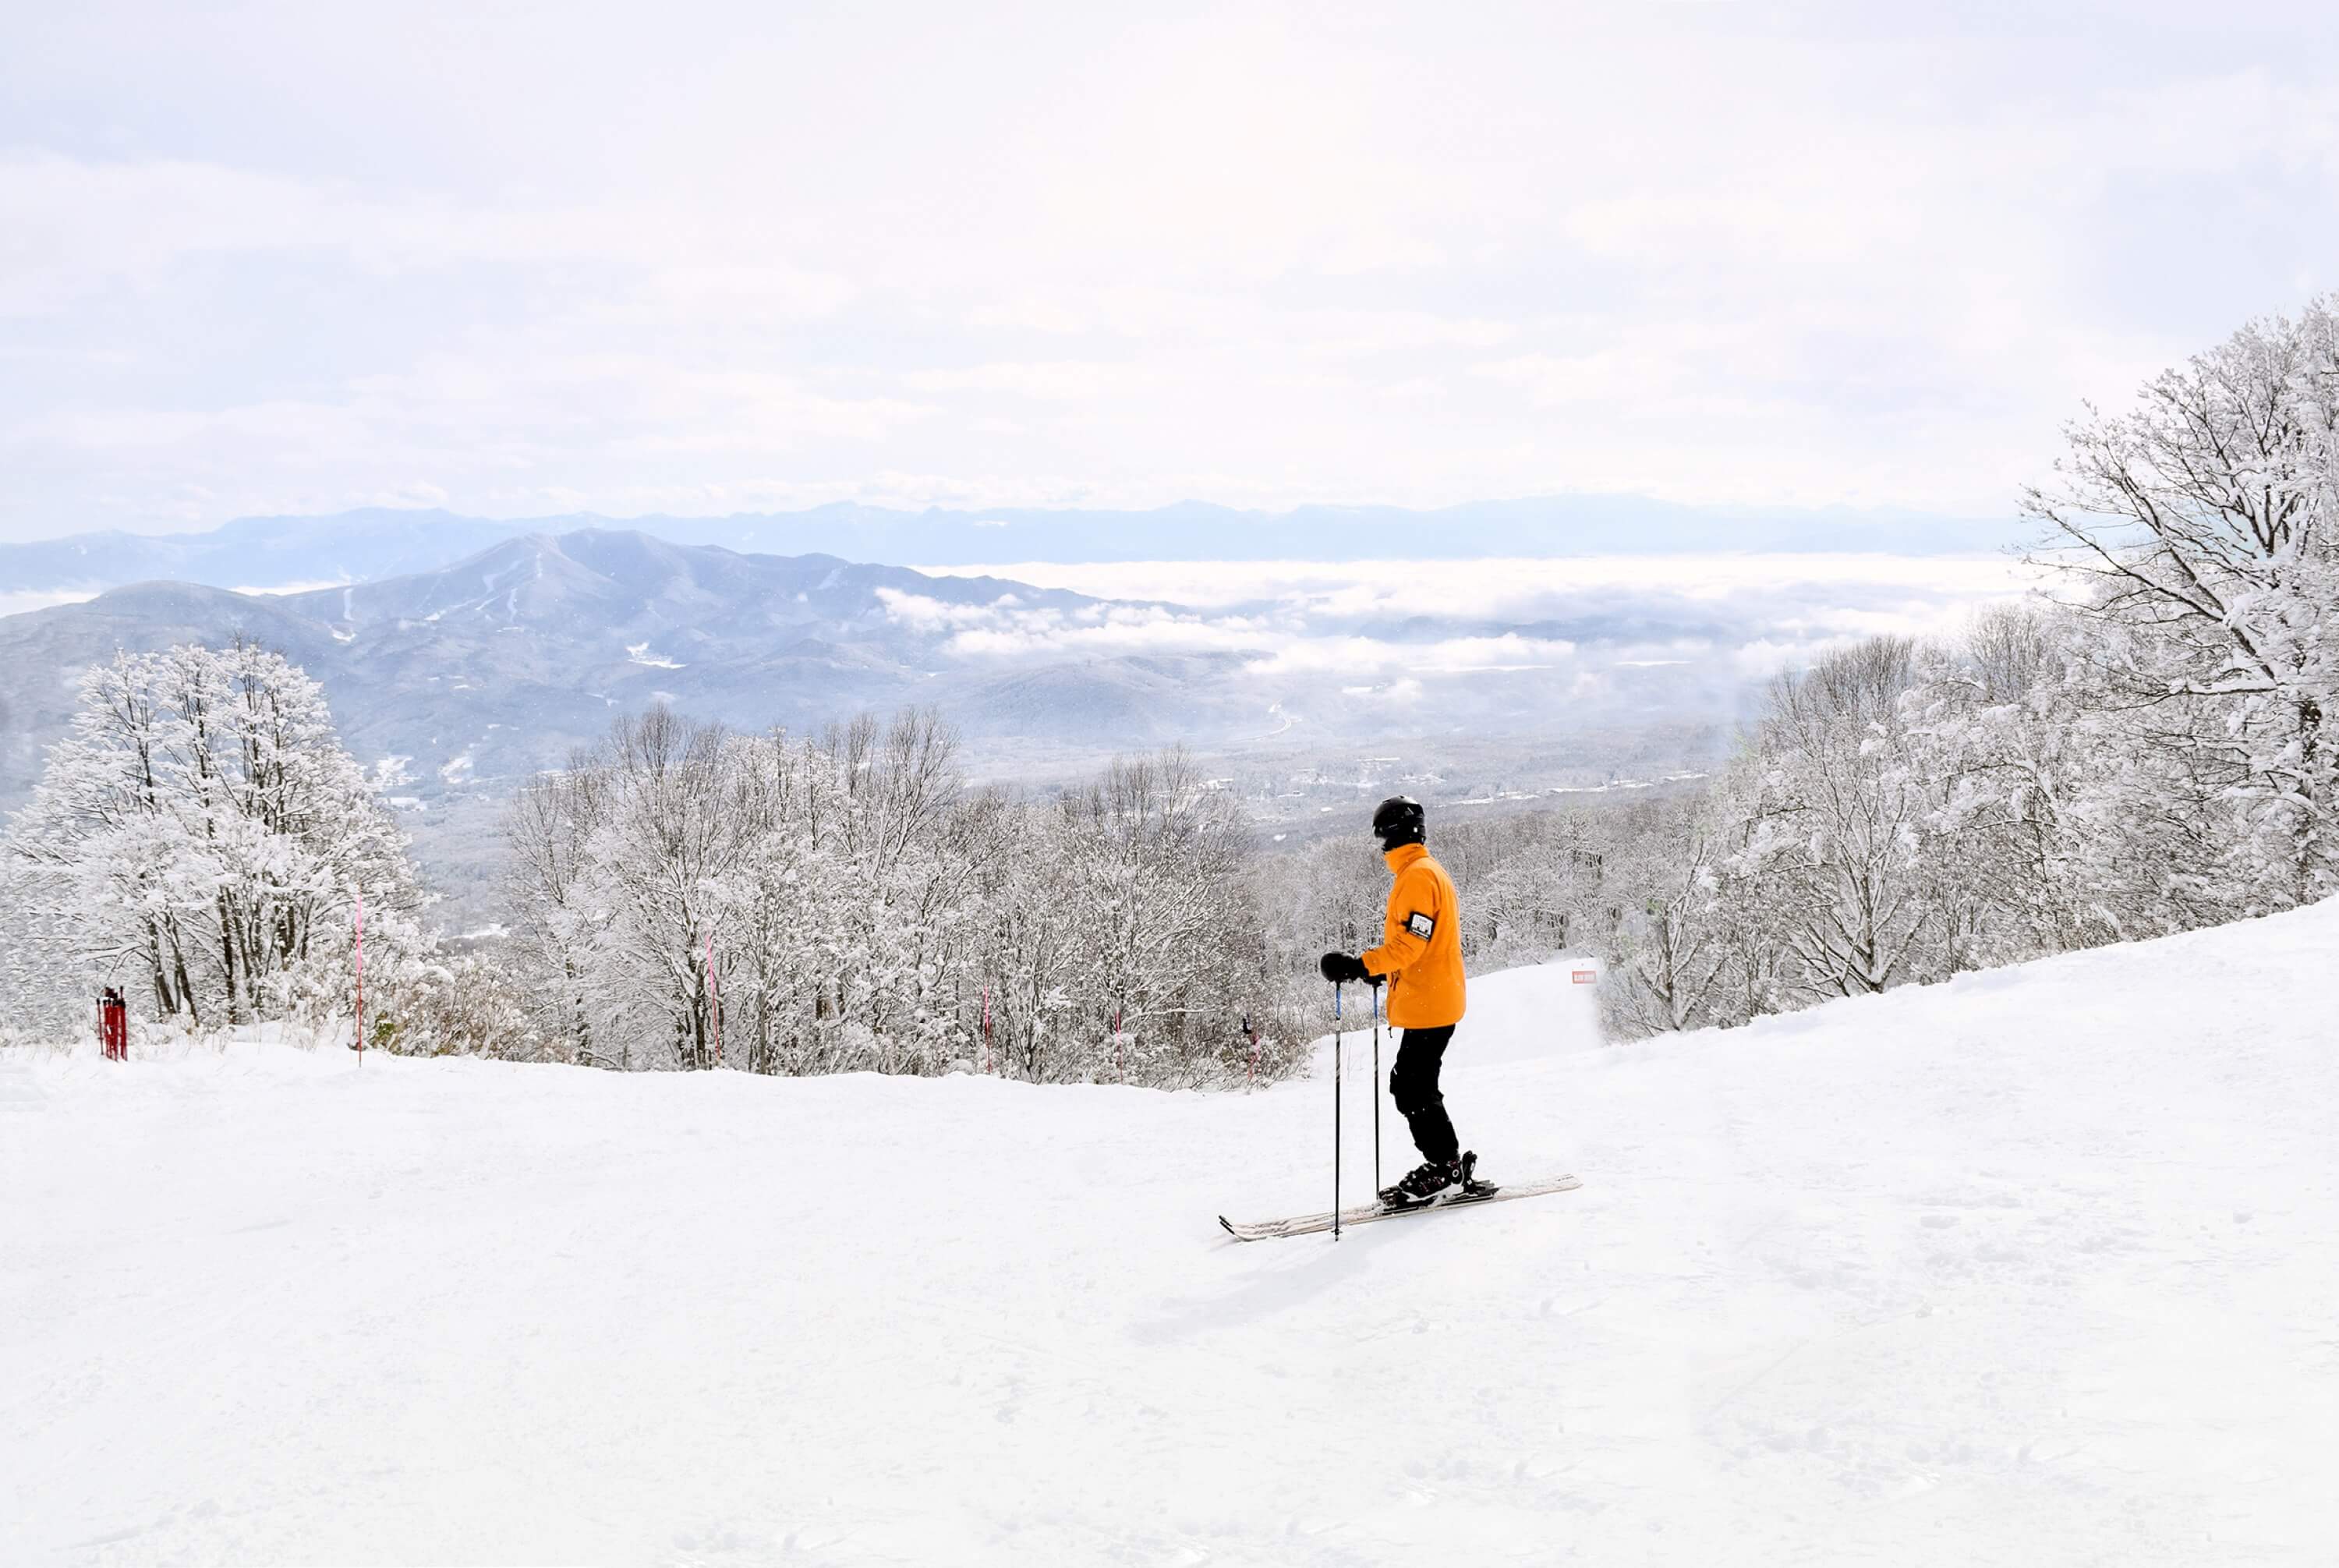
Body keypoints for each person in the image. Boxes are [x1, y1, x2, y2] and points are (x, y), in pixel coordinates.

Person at [1318, 795, 1474, 1205]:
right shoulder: (1424, 870)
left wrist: (1360, 966)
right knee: (1411, 1085)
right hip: (1435, 998)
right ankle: (1446, 1164)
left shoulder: (1418, 877)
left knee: (1412, 1089)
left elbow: (1411, 944)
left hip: (1432, 1004)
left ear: (1389, 835)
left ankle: (1446, 1169)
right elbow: (1420, 944)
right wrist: (1382, 971)